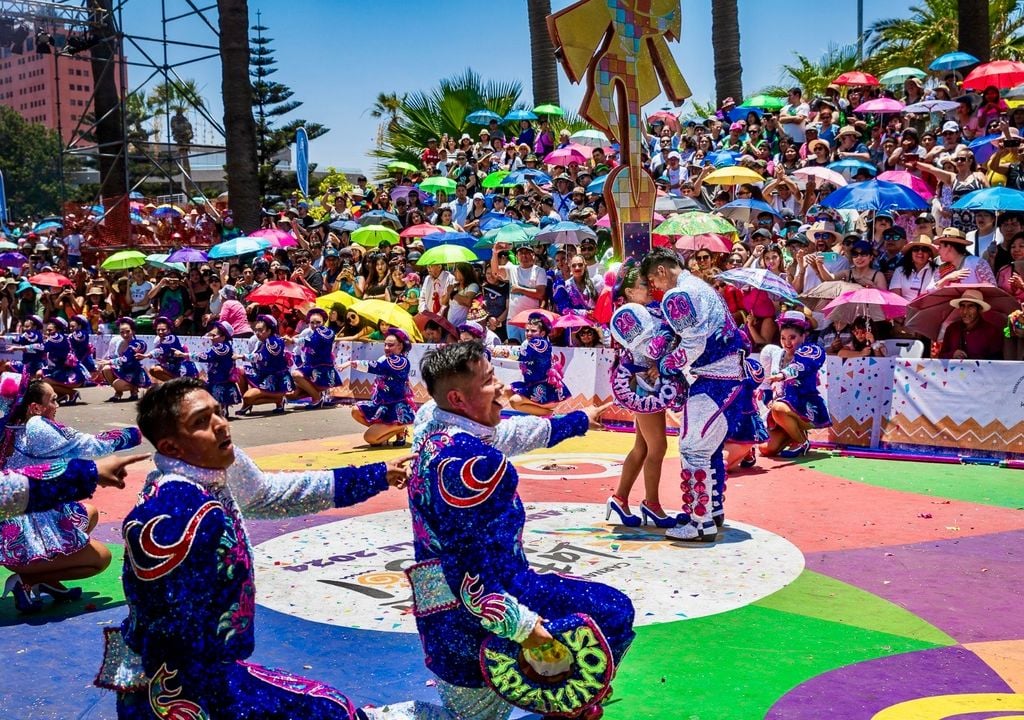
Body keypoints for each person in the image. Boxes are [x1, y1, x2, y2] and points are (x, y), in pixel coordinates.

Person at [93, 377, 412, 719]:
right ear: (171, 447)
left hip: (193, 674)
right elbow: (171, 631)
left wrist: (373, 476)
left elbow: (269, 493)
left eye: (218, 413)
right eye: (201, 421)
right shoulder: (181, 511)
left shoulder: (212, 466)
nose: (220, 425)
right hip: (188, 689)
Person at [406, 342, 631, 720]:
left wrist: (577, 420)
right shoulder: (473, 463)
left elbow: (516, 433)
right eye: (491, 380)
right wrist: (522, 626)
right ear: (459, 397)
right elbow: (466, 566)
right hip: (487, 597)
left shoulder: (432, 425)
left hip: (436, 611)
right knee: (613, 612)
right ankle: (564, 700)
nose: (504, 388)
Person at [0, 379, 142, 613]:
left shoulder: (9, 428)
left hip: (14, 510)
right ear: (35, 408)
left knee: (90, 513)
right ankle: (27, 581)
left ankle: (46, 578)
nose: (58, 405)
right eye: (53, 400)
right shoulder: (37, 426)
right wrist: (139, 432)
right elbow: (91, 445)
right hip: (30, 515)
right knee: (101, 558)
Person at [640, 247, 746, 542]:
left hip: (716, 379)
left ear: (661, 271)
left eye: (652, 280)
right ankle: (712, 509)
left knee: (693, 449)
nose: (654, 288)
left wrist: (664, 364)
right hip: (727, 377)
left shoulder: (679, 295)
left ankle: (701, 523)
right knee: (707, 449)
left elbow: (693, 346)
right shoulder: (700, 286)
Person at [606, 263, 683, 529]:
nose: (649, 288)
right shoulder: (629, 316)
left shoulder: (649, 311)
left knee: (642, 447)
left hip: (651, 382)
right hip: (645, 386)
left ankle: (620, 498)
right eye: (642, 285)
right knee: (658, 446)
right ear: (629, 291)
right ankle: (651, 503)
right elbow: (649, 351)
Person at [760, 311, 830, 457]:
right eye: (783, 338)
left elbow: (800, 367)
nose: (787, 343)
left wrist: (782, 375)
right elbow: (766, 383)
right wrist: (767, 398)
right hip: (779, 413)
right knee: (766, 449)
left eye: (792, 337)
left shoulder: (812, 351)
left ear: (803, 336)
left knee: (779, 408)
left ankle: (802, 441)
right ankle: (792, 433)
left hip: (805, 408)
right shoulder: (774, 353)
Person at [339, 329, 417, 447]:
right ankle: (387, 432)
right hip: (381, 405)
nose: (386, 348)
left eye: (391, 345)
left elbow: (377, 367)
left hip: (395, 408)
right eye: (385, 344)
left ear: (400, 346)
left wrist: (352, 363)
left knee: (369, 438)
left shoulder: (401, 362)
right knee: (355, 410)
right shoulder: (384, 359)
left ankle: (400, 428)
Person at [497, 312, 571, 417]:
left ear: (542, 333)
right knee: (507, 390)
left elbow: (521, 355)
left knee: (514, 401)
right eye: (527, 330)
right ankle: (537, 414)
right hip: (532, 386)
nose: (529, 333)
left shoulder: (541, 344)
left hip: (547, 392)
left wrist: (495, 350)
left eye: (533, 331)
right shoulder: (527, 343)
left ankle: (548, 414)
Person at [179, 321, 241, 418]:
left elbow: (206, 357)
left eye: (214, 336)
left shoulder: (221, 347)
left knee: (218, 393)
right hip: (219, 376)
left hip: (220, 377)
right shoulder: (226, 346)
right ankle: (222, 409)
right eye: (211, 335)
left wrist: (186, 355)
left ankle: (221, 410)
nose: (211, 338)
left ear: (223, 337)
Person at [238, 314, 293, 416]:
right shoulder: (260, 342)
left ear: (269, 330)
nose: (257, 333)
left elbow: (262, 357)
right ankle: (247, 404)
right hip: (262, 373)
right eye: (256, 330)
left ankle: (279, 399)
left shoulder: (274, 342)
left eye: (261, 330)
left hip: (275, 378)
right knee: (239, 371)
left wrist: (241, 356)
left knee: (248, 397)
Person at [288, 307, 341, 409]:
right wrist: (301, 365)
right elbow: (296, 352)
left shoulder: (328, 333)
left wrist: (293, 340)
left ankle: (317, 399)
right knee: (291, 395)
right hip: (309, 369)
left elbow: (313, 343)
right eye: (312, 322)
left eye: (318, 322)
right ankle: (318, 395)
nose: (315, 325)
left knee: (295, 374)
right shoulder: (306, 332)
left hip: (323, 370)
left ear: (324, 322)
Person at [936, 288, 1004, 360]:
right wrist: (952, 355)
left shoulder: (991, 331)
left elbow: (997, 362)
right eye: (962, 306)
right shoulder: (952, 329)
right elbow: (941, 357)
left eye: (970, 306)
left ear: (980, 309)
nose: (965, 311)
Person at [98, 318, 151, 402]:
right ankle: (118, 393)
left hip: (134, 373)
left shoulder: (138, 343)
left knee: (116, 384)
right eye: (122, 332)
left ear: (133, 331)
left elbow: (125, 359)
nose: (125, 335)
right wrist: (106, 362)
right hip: (122, 370)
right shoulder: (119, 342)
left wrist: (109, 361)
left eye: (127, 331)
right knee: (106, 369)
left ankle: (134, 388)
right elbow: (113, 357)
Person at [927, 227, 998, 289]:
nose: (938, 251)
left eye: (940, 247)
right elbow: (929, 290)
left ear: (948, 247)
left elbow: (991, 288)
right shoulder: (941, 269)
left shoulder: (977, 263)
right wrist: (946, 279)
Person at [40, 317, 88, 404]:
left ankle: (72, 393)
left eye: (50, 330)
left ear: (57, 329)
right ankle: (61, 395)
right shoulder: (59, 338)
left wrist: (20, 348)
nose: (47, 332)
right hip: (62, 371)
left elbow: (42, 348)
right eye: (47, 330)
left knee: (45, 382)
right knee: (41, 376)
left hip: (71, 375)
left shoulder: (57, 338)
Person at [145, 316, 199, 383]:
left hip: (183, 367)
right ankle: (176, 384)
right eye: (158, 330)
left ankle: (179, 384)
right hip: (171, 368)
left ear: (169, 330)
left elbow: (161, 350)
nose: (160, 332)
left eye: (163, 329)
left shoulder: (171, 338)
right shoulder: (157, 341)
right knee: (154, 370)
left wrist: (147, 355)